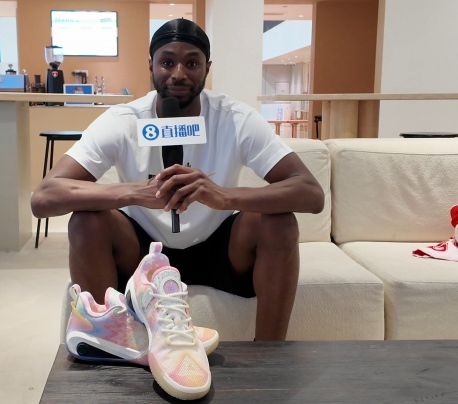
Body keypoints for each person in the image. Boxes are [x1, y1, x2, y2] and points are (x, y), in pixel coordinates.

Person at [31, 18, 324, 341]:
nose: (179, 73)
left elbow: (310, 193)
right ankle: (107, 345)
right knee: (86, 222)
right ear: (151, 66)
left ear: (207, 68)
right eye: (167, 62)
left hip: (220, 249)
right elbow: (44, 198)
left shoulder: (234, 118)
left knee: (279, 222)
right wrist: (134, 192)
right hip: (143, 252)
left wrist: (223, 196)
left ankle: (270, 355)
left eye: (192, 63)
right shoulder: (123, 120)